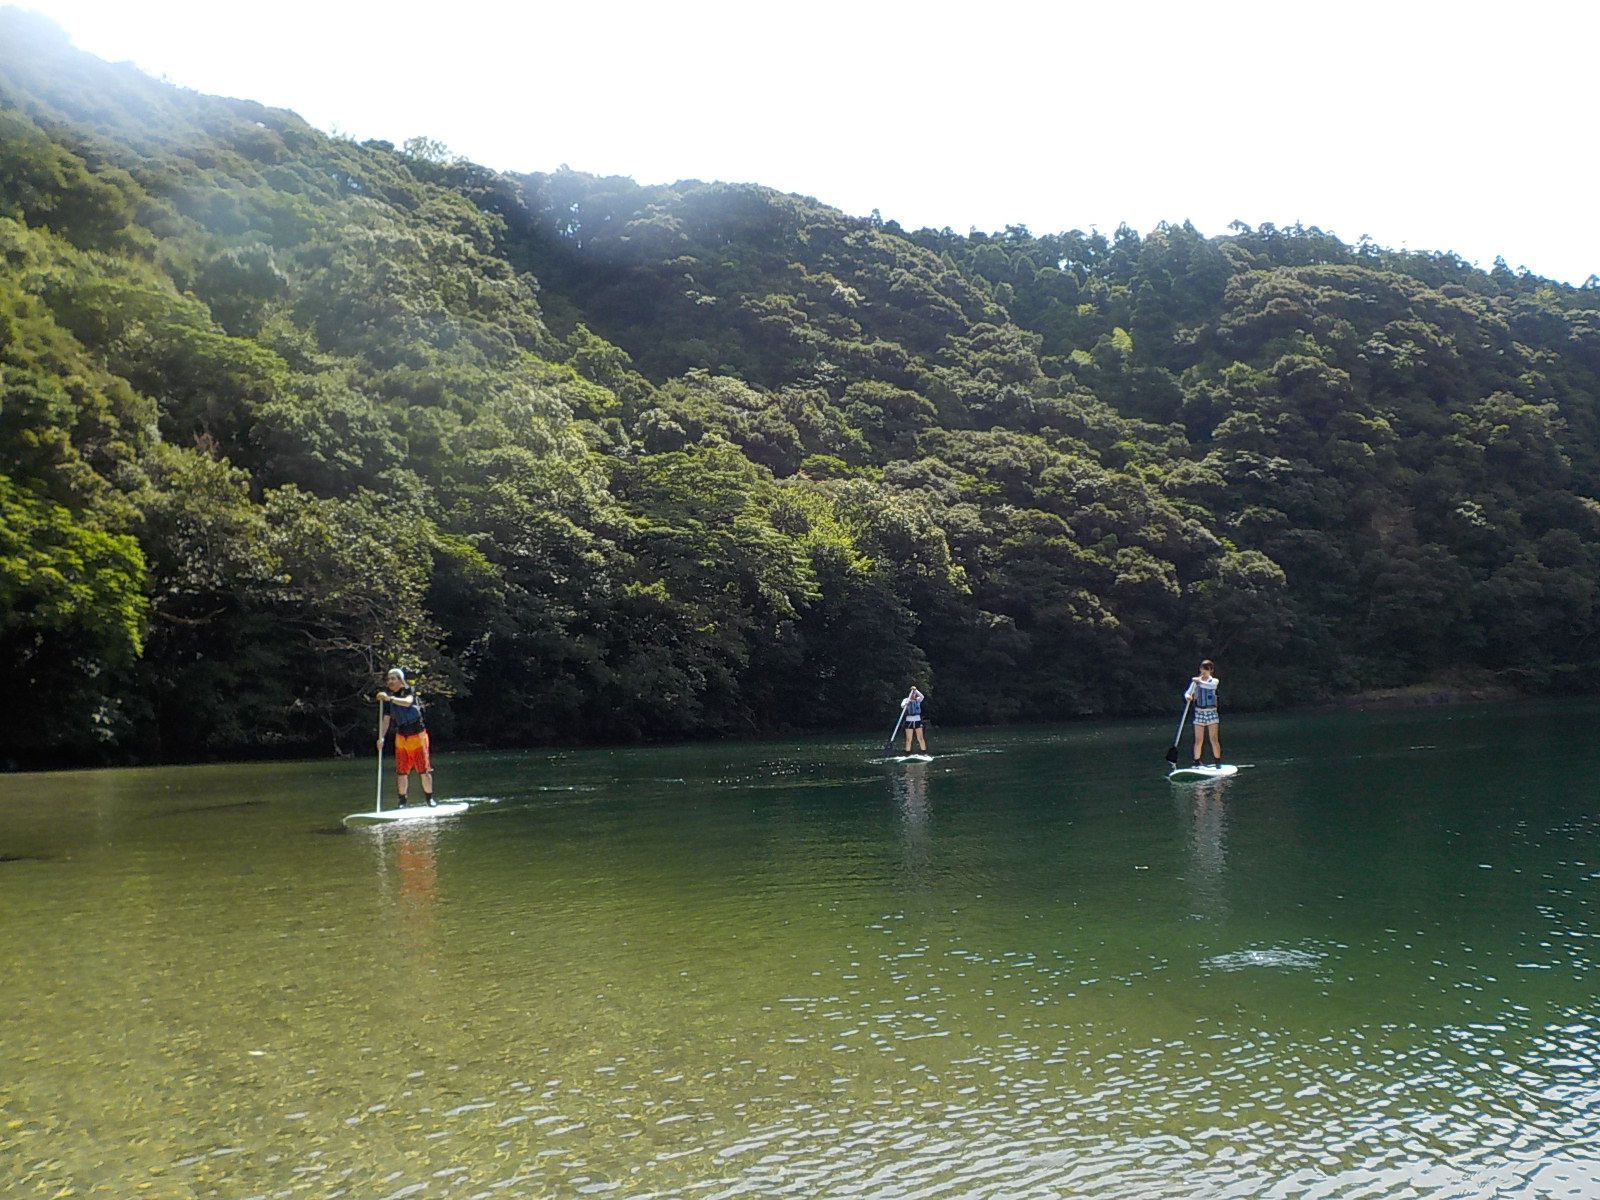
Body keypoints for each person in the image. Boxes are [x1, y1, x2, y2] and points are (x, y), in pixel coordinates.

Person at [376, 667, 436, 806]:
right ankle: (402, 801)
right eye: (388, 679)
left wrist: (390, 698)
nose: (390, 682)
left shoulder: (409, 690)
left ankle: (429, 799)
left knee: (423, 769)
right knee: (401, 771)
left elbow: (408, 702)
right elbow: (386, 720)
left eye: (393, 679)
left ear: (400, 680)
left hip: (418, 735)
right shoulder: (388, 698)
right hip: (401, 737)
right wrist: (381, 737)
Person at [1185, 660, 1221, 767]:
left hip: (1211, 712)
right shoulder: (1195, 683)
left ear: (1211, 670)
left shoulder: (1214, 681)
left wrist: (1199, 682)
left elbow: (1211, 687)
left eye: (1206, 669)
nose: (1204, 671)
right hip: (1199, 712)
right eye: (1202, 668)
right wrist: (1188, 696)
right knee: (1198, 739)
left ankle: (1217, 762)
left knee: (1213, 738)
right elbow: (1188, 692)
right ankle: (1196, 761)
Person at [901, 685, 927, 754]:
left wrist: (915, 690)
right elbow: (902, 706)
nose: (913, 695)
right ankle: (907, 753)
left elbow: (922, 696)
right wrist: (906, 704)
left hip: (917, 721)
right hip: (909, 721)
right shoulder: (906, 700)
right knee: (908, 739)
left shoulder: (918, 700)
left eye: (914, 693)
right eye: (912, 693)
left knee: (920, 738)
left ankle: (924, 752)